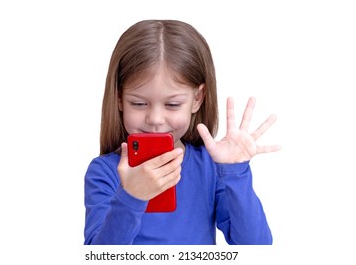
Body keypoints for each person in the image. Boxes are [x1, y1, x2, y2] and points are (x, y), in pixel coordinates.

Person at [84, 19, 280, 245]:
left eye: (173, 105)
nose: (155, 120)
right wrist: (132, 197)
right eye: (138, 104)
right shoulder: (104, 172)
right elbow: (97, 256)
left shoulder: (211, 167)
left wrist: (236, 172)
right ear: (119, 99)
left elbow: (257, 247)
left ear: (197, 99)